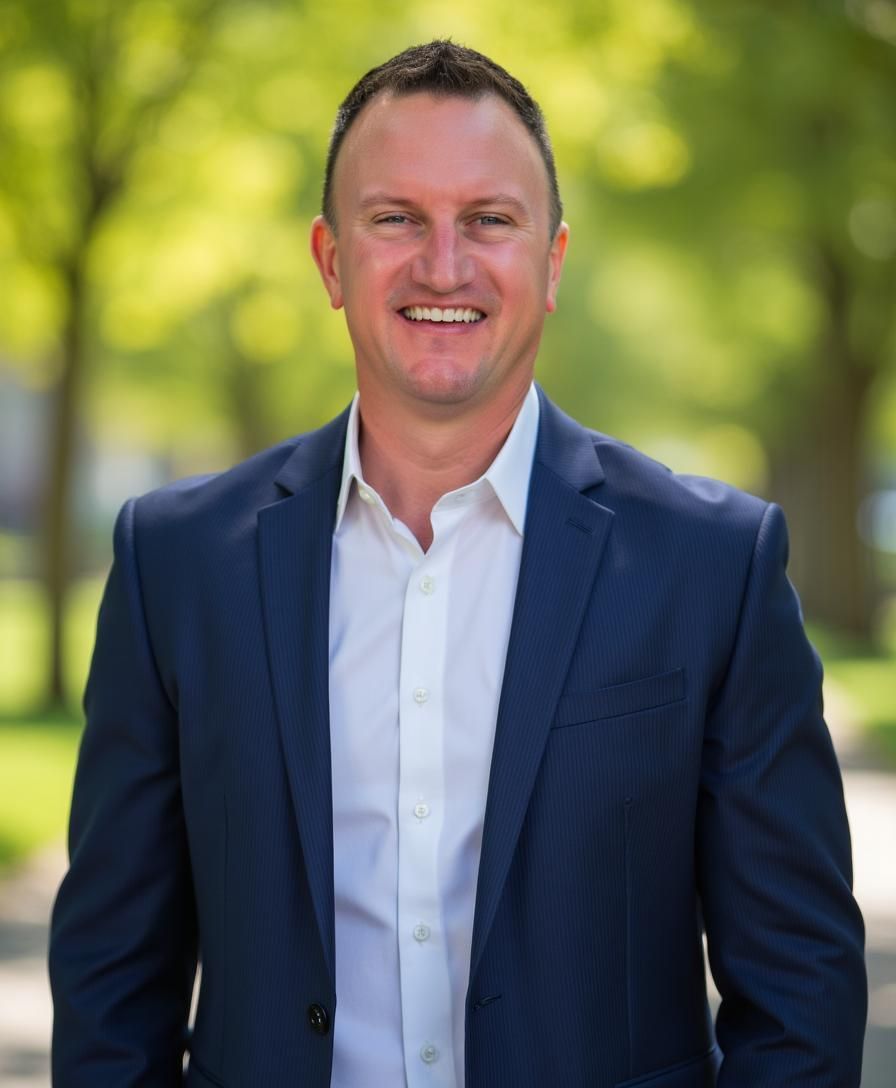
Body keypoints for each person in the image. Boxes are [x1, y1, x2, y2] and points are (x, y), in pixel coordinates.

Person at [49, 40, 866, 1088]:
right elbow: (111, 981)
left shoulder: (713, 566)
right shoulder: (176, 564)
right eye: (395, 218)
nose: (443, 264)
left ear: (552, 262)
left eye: (488, 219)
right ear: (331, 259)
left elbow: (798, 991)